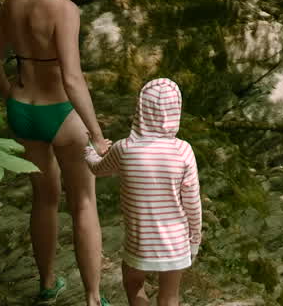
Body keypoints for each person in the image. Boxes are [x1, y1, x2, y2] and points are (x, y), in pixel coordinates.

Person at [0, 0, 112, 305]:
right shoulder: (64, 9)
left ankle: (47, 283)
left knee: (44, 198)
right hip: (61, 114)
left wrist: (10, 94)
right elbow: (72, 78)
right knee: (84, 202)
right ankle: (92, 297)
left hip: (23, 111)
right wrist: (97, 133)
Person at [85, 78, 202, 306]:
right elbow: (193, 203)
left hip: (139, 241)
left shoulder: (124, 149)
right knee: (169, 297)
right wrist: (194, 240)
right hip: (176, 243)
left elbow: (97, 169)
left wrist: (89, 151)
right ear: (176, 110)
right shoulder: (183, 151)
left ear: (140, 109)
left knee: (133, 283)